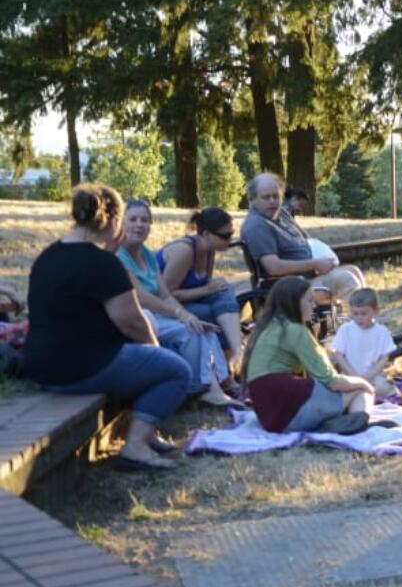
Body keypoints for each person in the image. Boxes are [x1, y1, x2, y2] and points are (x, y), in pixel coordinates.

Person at [24, 185, 191, 471]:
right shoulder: (103, 264)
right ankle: (135, 446)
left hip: (43, 367)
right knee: (176, 370)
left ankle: (145, 434)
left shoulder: (48, 256)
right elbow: (131, 321)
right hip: (84, 368)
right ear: (113, 220)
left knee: (151, 363)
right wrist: (154, 348)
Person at [117, 200, 239, 407]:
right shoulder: (118, 256)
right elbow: (142, 297)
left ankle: (210, 387)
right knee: (192, 329)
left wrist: (186, 315)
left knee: (200, 328)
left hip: (156, 314)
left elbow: (164, 294)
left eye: (144, 220)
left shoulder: (146, 254)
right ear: (121, 223)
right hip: (138, 316)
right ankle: (203, 387)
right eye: (133, 219)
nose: (139, 225)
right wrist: (182, 315)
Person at [242, 276, 376, 435]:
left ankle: (339, 420)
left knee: (346, 389)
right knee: (361, 392)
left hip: (270, 416)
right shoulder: (294, 330)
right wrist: (364, 384)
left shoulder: (268, 327)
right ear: (293, 303)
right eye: (310, 301)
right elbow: (331, 381)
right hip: (289, 407)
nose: (315, 305)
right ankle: (357, 420)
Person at [240, 173, 365, 308]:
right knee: (346, 279)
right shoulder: (257, 226)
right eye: (266, 197)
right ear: (252, 200)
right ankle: (358, 325)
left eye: (276, 196)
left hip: (308, 277)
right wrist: (315, 264)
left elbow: (306, 240)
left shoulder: (280, 213)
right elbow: (273, 267)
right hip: (287, 287)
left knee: (353, 270)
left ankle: (365, 320)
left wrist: (325, 260)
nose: (272, 201)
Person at [158, 207, 245, 363]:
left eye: (231, 234)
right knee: (218, 317)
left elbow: (206, 286)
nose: (230, 240)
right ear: (205, 234)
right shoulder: (184, 251)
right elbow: (165, 294)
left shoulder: (209, 250)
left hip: (187, 301)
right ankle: (230, 363)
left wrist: (213, 287)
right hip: (163, 307)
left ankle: (237, 352)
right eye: (225, 236)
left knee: (225, 292)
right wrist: (207, 289)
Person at [331, 288, 402, 398]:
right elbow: (338, 354)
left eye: (364, 313)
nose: (359, 317)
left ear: (375, 311)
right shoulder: (345, 329)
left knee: (383, 388)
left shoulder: (382, 331)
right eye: (355, 314)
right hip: (350, 375)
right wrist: (353, 375)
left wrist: (370, 375)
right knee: (341, 390)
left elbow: (385, 357)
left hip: (373, 376)